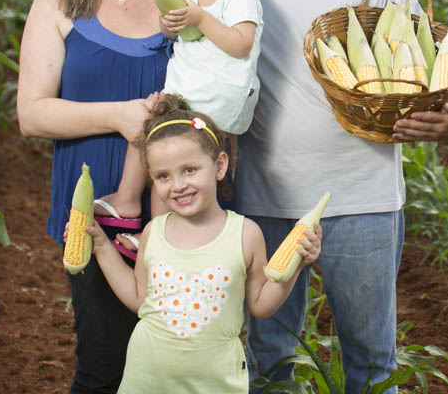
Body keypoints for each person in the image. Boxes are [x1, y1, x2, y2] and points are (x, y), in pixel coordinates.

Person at [232, 0, 448, 393]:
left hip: (361, 196)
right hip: (264, 198)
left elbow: (421, 71)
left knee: (371, 365)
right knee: (268, 363)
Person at [16, 0, 203, 394]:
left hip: (182, 204)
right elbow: (32, 114)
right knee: (104, 362)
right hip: (95, 209)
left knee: (178, 364)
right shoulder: (60, 1)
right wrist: (120, 117)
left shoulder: (189, 1)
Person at [83, 94, 321, 394]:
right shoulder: (154, 232)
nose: (178, 185)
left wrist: (298, 261)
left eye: (190, 170)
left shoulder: (245, 234)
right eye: (162, 176)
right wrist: (102, 247)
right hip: (147, 380)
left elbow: (260, 305)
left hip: (216, 384)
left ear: (220, 166)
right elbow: (140, 300)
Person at [96, 0, 274, 229]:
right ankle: (134, 208)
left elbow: (241, 44)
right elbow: (179, 30)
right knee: (154, 138)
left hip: (214, 99)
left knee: (177, 160)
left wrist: (201, 17)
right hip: (187, 90)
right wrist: (172, 24)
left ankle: (159, 226)